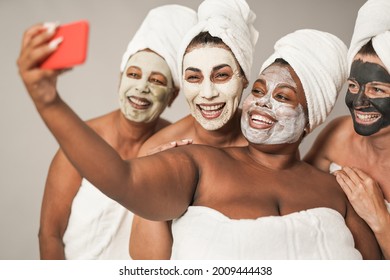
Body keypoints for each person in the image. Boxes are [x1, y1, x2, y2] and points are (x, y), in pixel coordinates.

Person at [18, 14, 381, 259]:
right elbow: (121, 178)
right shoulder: (196, 161)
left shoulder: (339, 191)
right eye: (258, 90)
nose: (261, 104)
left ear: (310, 121)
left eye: (282, 97)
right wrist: (50, 102)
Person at [35, 5, 197, 259]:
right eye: (134, 74)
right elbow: (50, 234)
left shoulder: (176, 146)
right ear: (120, 79)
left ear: (173, 95)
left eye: (156, 80)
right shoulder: (83, 140)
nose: (141, 87)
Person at [130, 0, 258, 260]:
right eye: (194, 77)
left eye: (221, 76)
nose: (207, 94)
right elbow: (148, 264)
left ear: (244, 77)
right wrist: (155, 186)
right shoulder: (158, 148)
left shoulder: (266, 140)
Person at [304, 0, 390, 260]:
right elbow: (293, 183)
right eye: (353, 86)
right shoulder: (338, 134)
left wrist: (380, 219)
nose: (359, 101)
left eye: (377, 89)